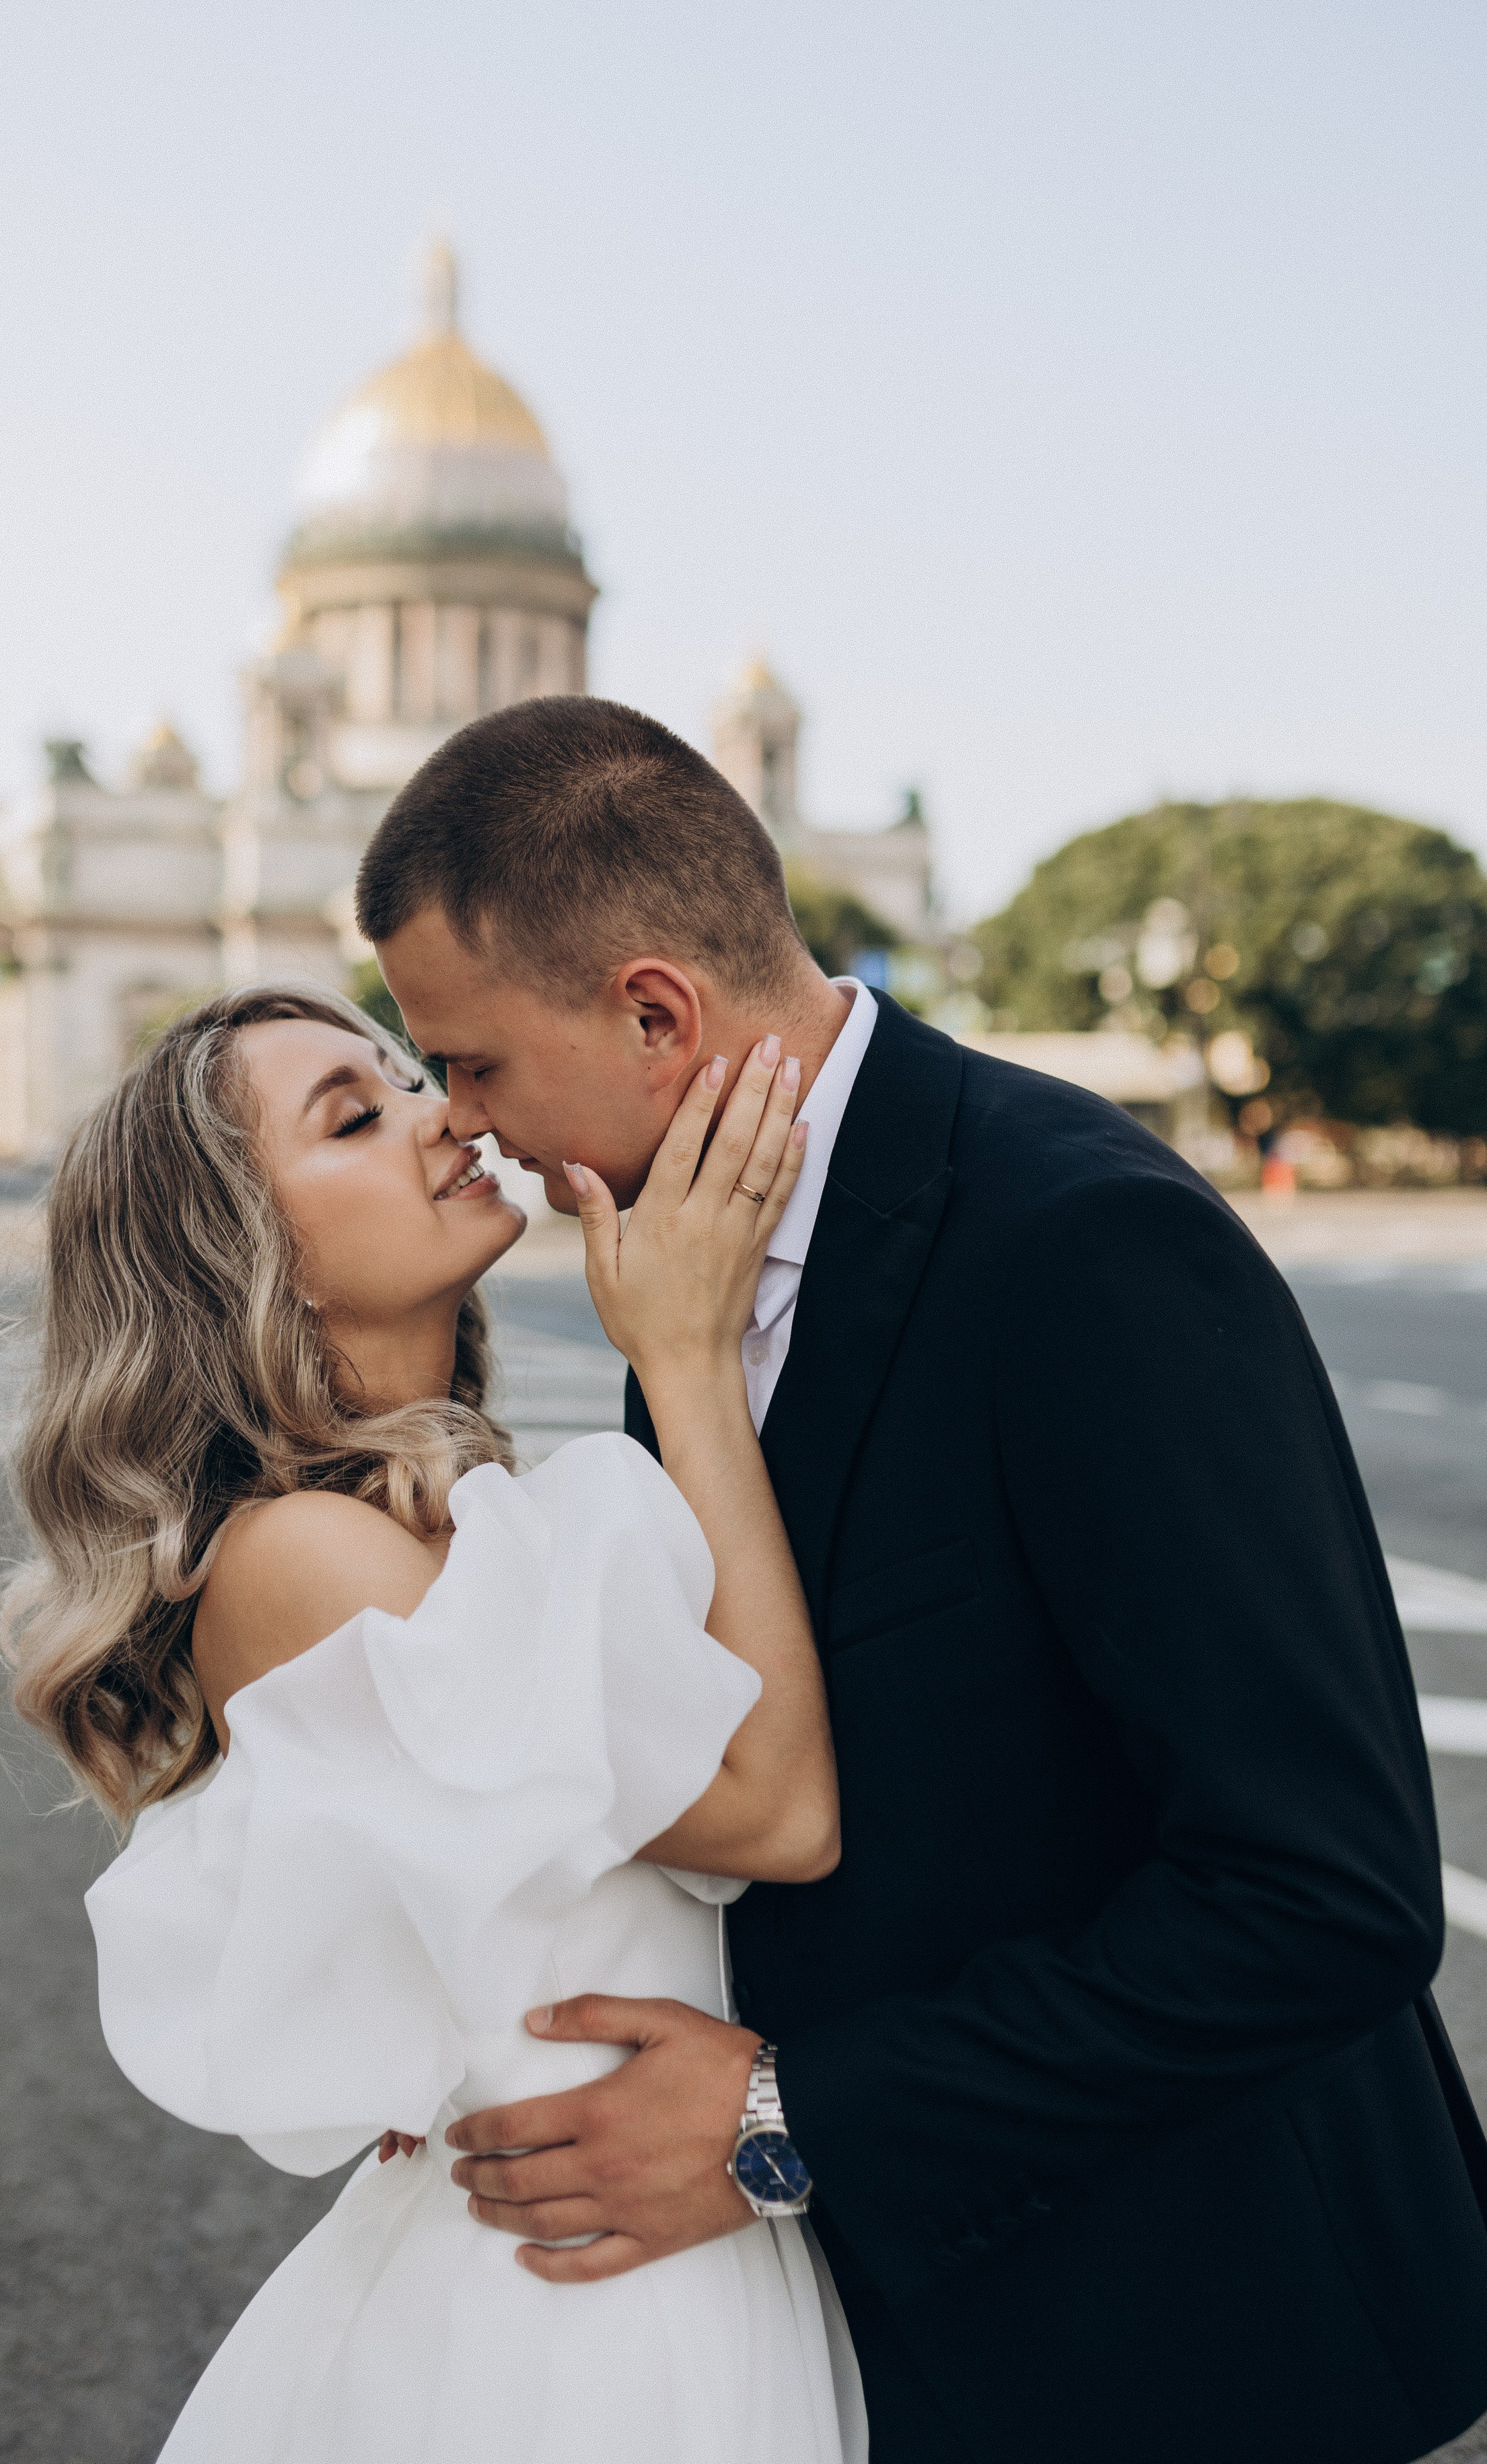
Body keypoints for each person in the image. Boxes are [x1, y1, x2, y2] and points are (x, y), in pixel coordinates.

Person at [356, 695, 1487, 2464]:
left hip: (1199, 2336)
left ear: (656, 1013)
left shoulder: (1078, 1244)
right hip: (924, 2324)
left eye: (474, 1063)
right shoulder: (681, 1277)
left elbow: (1322, 1895)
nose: (464, 1123)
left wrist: (784, 2117)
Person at [0, 983, 866, 2463]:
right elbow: (778, 1815)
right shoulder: (297, 1558)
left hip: (655, 2225)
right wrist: (686, 1357)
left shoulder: (447, 1521)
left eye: (414, 1078)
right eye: (360, 1114)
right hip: (574, 2314)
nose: (447, 1116)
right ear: (250, 1258)